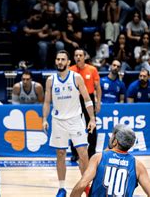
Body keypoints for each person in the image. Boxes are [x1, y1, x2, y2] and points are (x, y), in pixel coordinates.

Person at [42, 50, 96, 197]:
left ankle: (85, 185)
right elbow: (47, 102)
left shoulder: (76, 78)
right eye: (58, 59)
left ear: (68, 62)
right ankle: (61, 188)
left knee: (83, 154)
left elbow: (87, 99)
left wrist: (92, 118)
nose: (60, 62)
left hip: (75, 120)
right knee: (60, 153)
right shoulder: (50, 80)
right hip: (58, 121)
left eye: (63, 59)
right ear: (55, 61)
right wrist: (44, 119)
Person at [70, 124, 150, 197]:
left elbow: (82, 185)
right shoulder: (138, 165)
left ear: (115, 141)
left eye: (112, 136)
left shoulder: (98, 158)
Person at [69, 49, 101, 160]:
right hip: (75, 100)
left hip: (89, 99)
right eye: (76, 55)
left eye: (80, 55)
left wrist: (98, 102)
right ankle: (75, 153)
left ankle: (91, 152)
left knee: (91, 125)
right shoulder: (70, 70)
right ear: (74, 57)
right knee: (73, 126)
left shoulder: (92, 69)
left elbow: (98, 87)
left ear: (84, 57)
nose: (78, 57)